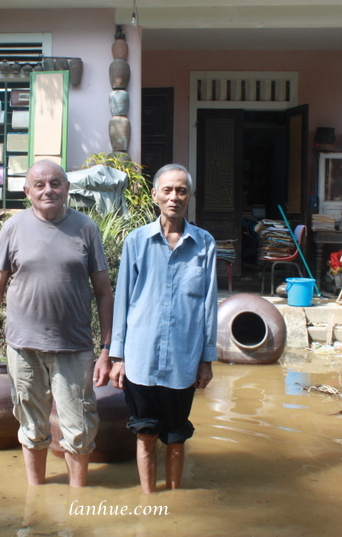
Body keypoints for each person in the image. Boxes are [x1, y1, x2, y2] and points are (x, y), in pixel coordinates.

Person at [0, 159, 113, 488]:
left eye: (55, 183)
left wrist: (107, 349)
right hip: (23, 347)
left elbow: (105, 293)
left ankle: (78, 501)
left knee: (78, 428)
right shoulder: (13, 228)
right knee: (32, 427)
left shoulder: (85, 228)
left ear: (67, 189)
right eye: (40, 185)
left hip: (74, 347)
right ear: (27, 192)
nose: (48, 190)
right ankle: (35, 497)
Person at [109, 163, 217, 494]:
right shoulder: (136, 242)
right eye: (167, 190)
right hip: (140, 358)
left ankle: (173, 501)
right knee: (144, 434)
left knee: (176, 436)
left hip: (183, 360)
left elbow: (209, 305)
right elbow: (123, 300)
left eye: (181, 190)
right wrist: (117, 356)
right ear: (155, 195)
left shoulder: (204, 244)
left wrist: (206, 359)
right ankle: (149, 502)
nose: (174, 197)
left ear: (190, 196)